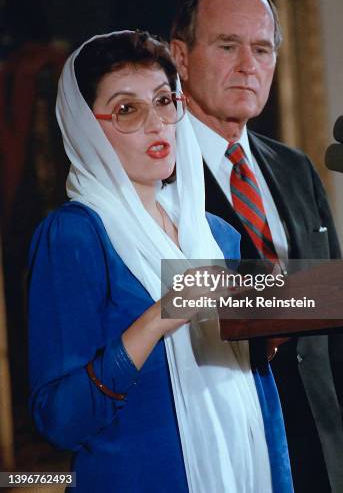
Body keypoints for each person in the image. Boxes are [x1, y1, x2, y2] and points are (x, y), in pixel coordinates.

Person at [28, 29, 294, 492]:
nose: (156, 124)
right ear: (87, 127)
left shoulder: (216, 235)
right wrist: (155, 320)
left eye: (165, 100)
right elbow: (60, 419)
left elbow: (256, 395)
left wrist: (263, 339)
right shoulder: (74, 235)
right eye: (127, 109)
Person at [170, 0, 343, 493]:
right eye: (227, 46)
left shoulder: (295, 169)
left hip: (324, 457)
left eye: (262, 49)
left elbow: (340, 341)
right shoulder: (160, 173)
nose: (248, 66)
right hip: (232, 454)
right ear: (181, 56)